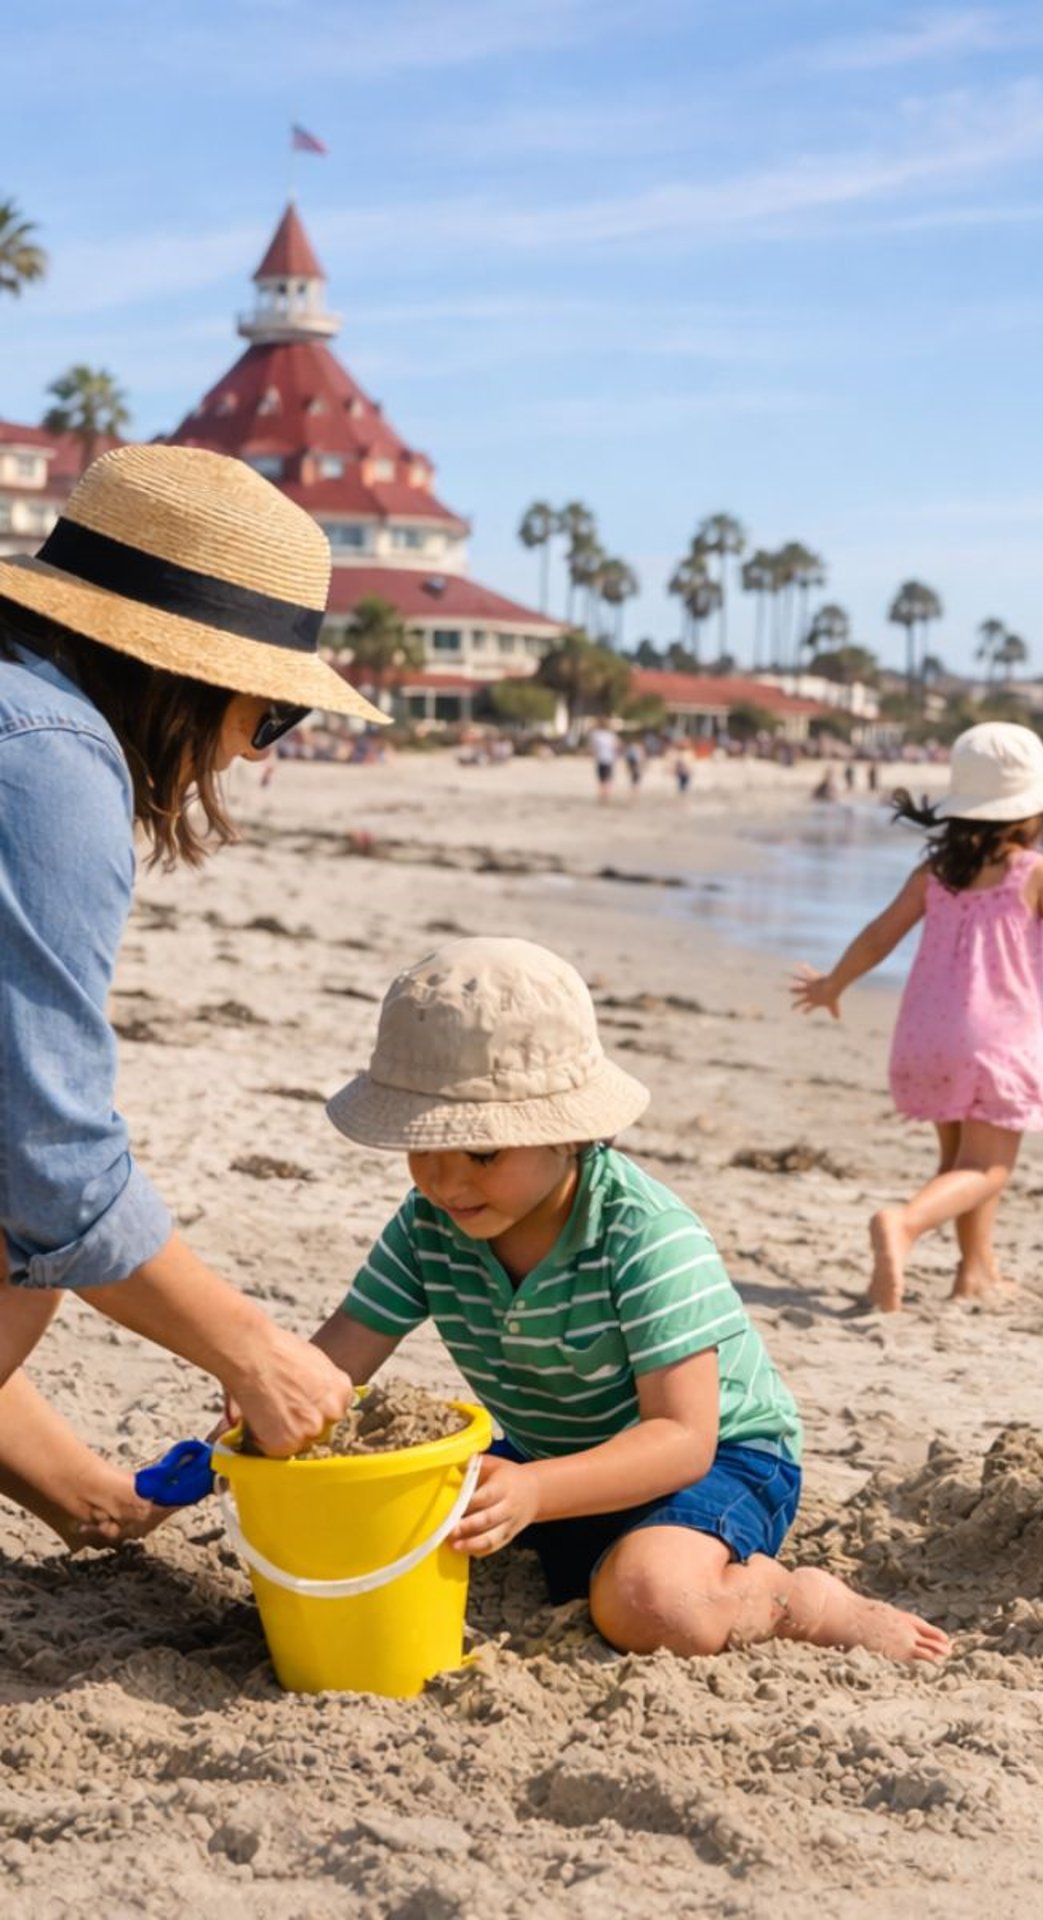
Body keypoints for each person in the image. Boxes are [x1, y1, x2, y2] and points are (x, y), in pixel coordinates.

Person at [309, 937, 950, 1662]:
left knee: (650, 1606)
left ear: (570, 1132)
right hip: (552, 1456)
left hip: (719, 1459)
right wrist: (210, 1460)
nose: (447, 1181)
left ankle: (801, 1602)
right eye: (423, 1145)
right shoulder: (429, 1226)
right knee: (359, 1507)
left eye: (483, 1152)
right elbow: (327, 1370)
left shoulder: (643, 1232)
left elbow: (682, 1438)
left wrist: (535, 1492)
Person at [0, 444, 383, 1547]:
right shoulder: (48, 763)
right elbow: (51, 1174)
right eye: (273, 716)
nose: (258, 754)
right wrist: (256, 1351)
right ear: (189, 675)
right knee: (45, 1226)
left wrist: (89, 1500)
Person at [792, 722, 1043, 1311]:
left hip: (926, 1036)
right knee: (990, 1169)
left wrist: (834, 983)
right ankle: (902, 1224)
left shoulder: (933, 874)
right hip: (995, 1041)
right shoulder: (1033, 874)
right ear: (1030, 813)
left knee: (961, 1162)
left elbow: (880, 935)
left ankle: (975, 1271)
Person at [586, 720, 620, 802]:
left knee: (601, 779)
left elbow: (591, 742)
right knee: (608, 778)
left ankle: (601, 796)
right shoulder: (611, 735)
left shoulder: (596, 734)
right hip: (609, 759)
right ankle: (607, 795)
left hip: (600, 759)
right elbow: (616, 746)